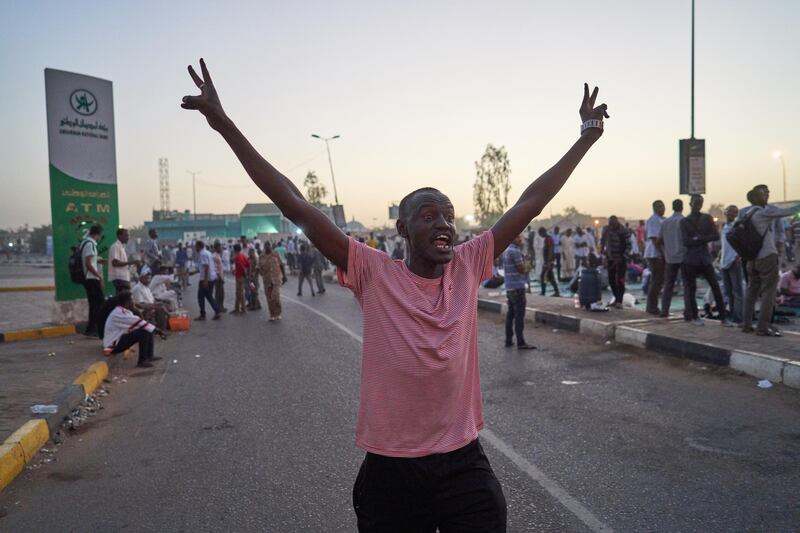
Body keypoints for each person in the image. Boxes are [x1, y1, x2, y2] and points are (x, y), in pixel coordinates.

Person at [182, 58, 609, 530]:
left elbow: (530, 203)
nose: (443, 224)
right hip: (391, 471)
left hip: (462, 463)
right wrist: (224, 124)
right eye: (429, 216)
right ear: (403, 228)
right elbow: (293, 201)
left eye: (448, 216)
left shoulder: (469, 263)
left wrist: (586, 137)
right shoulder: (372, 271)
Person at [739, 185, 800, 335]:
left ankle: (746, 325)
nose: (767, 195)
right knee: (769, 293)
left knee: (751, 291)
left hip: (751, 259)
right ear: (757, 197)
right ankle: (762, 327)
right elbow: (787, 211)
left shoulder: (745, 213)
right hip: (766, 257)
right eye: (764, 193)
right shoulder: (763, 212)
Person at [680, 194, 730, 326]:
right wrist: (702, 238)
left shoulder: (707, 218)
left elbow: (715, 236)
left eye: (700, 203)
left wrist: (698, 238)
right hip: (691, 259)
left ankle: (723, 317)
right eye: (696, 203)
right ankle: (695, 316)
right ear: (690, 203)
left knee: (715, 286)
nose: (698, 205)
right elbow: (686, 241)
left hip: (704, 258)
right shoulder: (685, 221)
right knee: (691, 289)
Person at [102, 290, 166, 368]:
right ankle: (142, 361)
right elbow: (139, 322)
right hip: (113, 345)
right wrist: (158, 331)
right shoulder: (119, 313)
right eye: (132, 300)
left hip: (118, 339)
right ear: (127, 302)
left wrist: (136, 310)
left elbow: (139, 322)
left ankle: (149, 355)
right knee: (144, 331)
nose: (133, 302)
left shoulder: (124, 311)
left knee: (147, 328)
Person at [503, 234, 538, 349]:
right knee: (519, 316)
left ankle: (508, 340)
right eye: (518, 237)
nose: (520, 240)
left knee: (511, 314)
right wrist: (527, 263)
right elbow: (522, 270)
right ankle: (521, 342)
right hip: (517, 287)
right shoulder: (515, 252)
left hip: (509, 287)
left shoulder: (507, 251)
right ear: (513, 238)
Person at [659, 199, 686, 318]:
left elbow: (659, 240)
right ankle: (688, 311)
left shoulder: (665, 222)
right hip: (684, 257)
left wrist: (665, 252)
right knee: (687, 285)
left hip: (670, 257)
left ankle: (664, 310)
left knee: (668, 285)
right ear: (682, 207)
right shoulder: (684, 221)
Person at [720, 205, 744, 323]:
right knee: (728, 292)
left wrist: (738, 256)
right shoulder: (724, 227)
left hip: (734, 261)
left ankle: (738, 316)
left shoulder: (737, 227)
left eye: (733, 212)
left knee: (737, 291)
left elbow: (742, 243)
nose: (730, 214)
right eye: (729, 212)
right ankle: (733, 314)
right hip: (724, 262)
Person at [80, 225, 106, 337]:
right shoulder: (90, 245)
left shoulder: (85, 243)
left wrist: (99, 261)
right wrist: (99, 277)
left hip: (89, 278)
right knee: (99, 304)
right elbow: (88, 264)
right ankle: (94, 329)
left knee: (94, 304)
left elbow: (90, 261)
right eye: (100, 235)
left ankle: (91, 329)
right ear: (97, 234)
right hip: (91, 278)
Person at [600, 216, 631, 308]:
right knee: (611, 280)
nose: (611, 226)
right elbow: (602, 242)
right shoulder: (606, 230)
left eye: (613, 224)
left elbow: (629, 246)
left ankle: (619, 301)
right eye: (610, 224)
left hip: (621, 259)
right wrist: (603, 254)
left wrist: (623, 257)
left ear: (617, 223)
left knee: (620, 280)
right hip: (611, 258)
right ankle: (616, 298)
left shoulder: (624, 231)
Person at [644, 200, 666, 315]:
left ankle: (652, 305)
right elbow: (654, 239)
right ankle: (652, 306)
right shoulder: (654, 220)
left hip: (658, 253)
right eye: (659, 206)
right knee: (657, 280)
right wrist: (661, 254)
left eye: (663, 206)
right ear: (654, 208)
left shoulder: (662, 219)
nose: (662, 208)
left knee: (658, 280)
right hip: (654, 254)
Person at [259, 241, 287, 320]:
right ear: (264, 247)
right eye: (266, 246)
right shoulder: (261, 256)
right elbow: (259, 267)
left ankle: (278, 313)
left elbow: (281, 265)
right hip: (267, 280)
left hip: (276, 279)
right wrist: (262, 274)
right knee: (269, 298)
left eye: (269, 246)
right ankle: (272, 314)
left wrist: (284, 276)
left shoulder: (275, 254)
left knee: (275, 296)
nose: (268, 247)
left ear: (271, 247)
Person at [195, 240, 222, 320]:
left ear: (199, 246)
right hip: (211, 277)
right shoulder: (208, 252)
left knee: (200, 296)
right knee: (208, 295)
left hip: (206, 279)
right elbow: (204, 267)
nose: (195, 248)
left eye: (196, 246)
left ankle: (203, 315)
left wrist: (205, 280)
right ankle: (217, 311)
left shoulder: (202, 254)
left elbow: (206, 267)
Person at [109, 228, 138, 293]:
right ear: (119, 236)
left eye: (128, 235)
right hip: (119, 278)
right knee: (124, 298)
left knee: (122, 299)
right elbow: (115, 263)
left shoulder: (121, 246)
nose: (128, 237)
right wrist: (131, 262)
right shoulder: (116, 246)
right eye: (126, 235)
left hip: (123, 277)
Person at [538, 227, 560, 297]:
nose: (540, 235)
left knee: (543, 276)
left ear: (542, 232)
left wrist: (548, 262)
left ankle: (543, 292)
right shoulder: (547, 239)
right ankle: (556, 291)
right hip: (548, 261)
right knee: (550, 277)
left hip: (548, 262)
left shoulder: (548, 239)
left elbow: (550, 250)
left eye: (540, 234)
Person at [231, 244, 249, 314]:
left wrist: (244, 274)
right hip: (240, 276)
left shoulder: (238, 257)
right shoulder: (242, 255)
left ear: (235, 250)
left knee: (240, 294)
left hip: (239, 276)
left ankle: (243, 309)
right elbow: (247, 264)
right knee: (238, 293)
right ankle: (237, 308)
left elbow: (241, 267)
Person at [212, 241, 228, 312]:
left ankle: (221, 307)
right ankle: (218, 308)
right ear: (217, 248)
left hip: (220, 276)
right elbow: (215, 269)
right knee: (219, 294)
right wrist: (220, 278)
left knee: (221, 293)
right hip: (218, 278)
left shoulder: (218, 255)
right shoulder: (214, 256)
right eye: (220, 247)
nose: (221, 248)